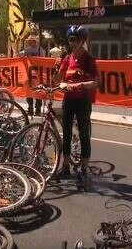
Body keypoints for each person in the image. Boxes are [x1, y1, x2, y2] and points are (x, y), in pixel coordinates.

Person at [53, 25, 99, 182]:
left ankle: (84, 169)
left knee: (83, 134)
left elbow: (95, 82)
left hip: (83, 101)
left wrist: (80, 85)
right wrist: (57, 67)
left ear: (82, 41)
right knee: (65, 133)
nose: (72, 43)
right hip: (69, 100)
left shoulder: (89, 60)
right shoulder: (67, 58)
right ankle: (66, 167)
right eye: (71, 40)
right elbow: (57, 81)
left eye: (76, 40)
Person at [21, 34, 47, 116]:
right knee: (29, 91)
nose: (29, 42)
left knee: (38, 92)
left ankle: (38, 109)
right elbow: (20, 57)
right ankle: (30, 109)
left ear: (34, 41)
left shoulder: (40, 50)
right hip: (29, 74)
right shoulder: (26, 50)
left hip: (38, 74)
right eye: (28, 41)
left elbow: (43, 60)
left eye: (30, 41)